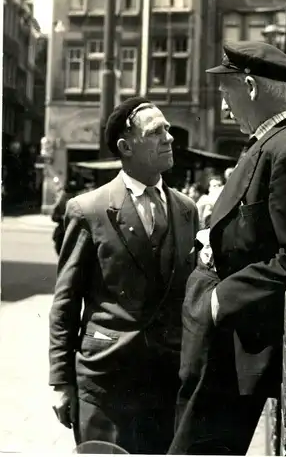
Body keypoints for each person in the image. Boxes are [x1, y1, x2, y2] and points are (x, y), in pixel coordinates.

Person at [169, 41, 286, 455]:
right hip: (222, 329)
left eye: (227, 92)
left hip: (234, 332)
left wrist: (221, 299)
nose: (225, 107)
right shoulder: (271, 142)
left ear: (250, 86)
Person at [49, 97, 199, 454]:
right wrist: (61, 382)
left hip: (166, 381)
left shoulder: (186, 210)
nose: (169, 138)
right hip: (105, 383)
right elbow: (66, 301)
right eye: (156, 131)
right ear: (125, 146)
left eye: (168, 129)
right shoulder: (89, 210)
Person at [51, 179, 83, 255]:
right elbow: (54, 216)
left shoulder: (79, 201)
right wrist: (61, 217)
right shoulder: (62, 201)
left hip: (75, 231)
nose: (69, 196)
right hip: (64, 230)